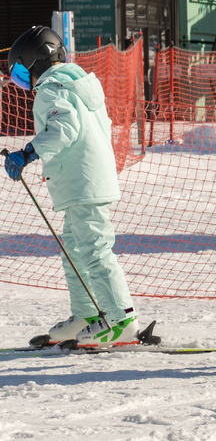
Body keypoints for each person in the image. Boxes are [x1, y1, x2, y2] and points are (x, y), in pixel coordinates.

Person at [4, 26, 140, 347]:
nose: (25, 85)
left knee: (93, 249)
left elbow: (64, 128)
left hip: (82, 182)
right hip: (85, 180)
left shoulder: (52, 90)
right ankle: (88, 314)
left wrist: (27, 153)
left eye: (23, 75)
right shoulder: (78, 86)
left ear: (36, 62)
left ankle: (121, 320)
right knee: (74, 250)